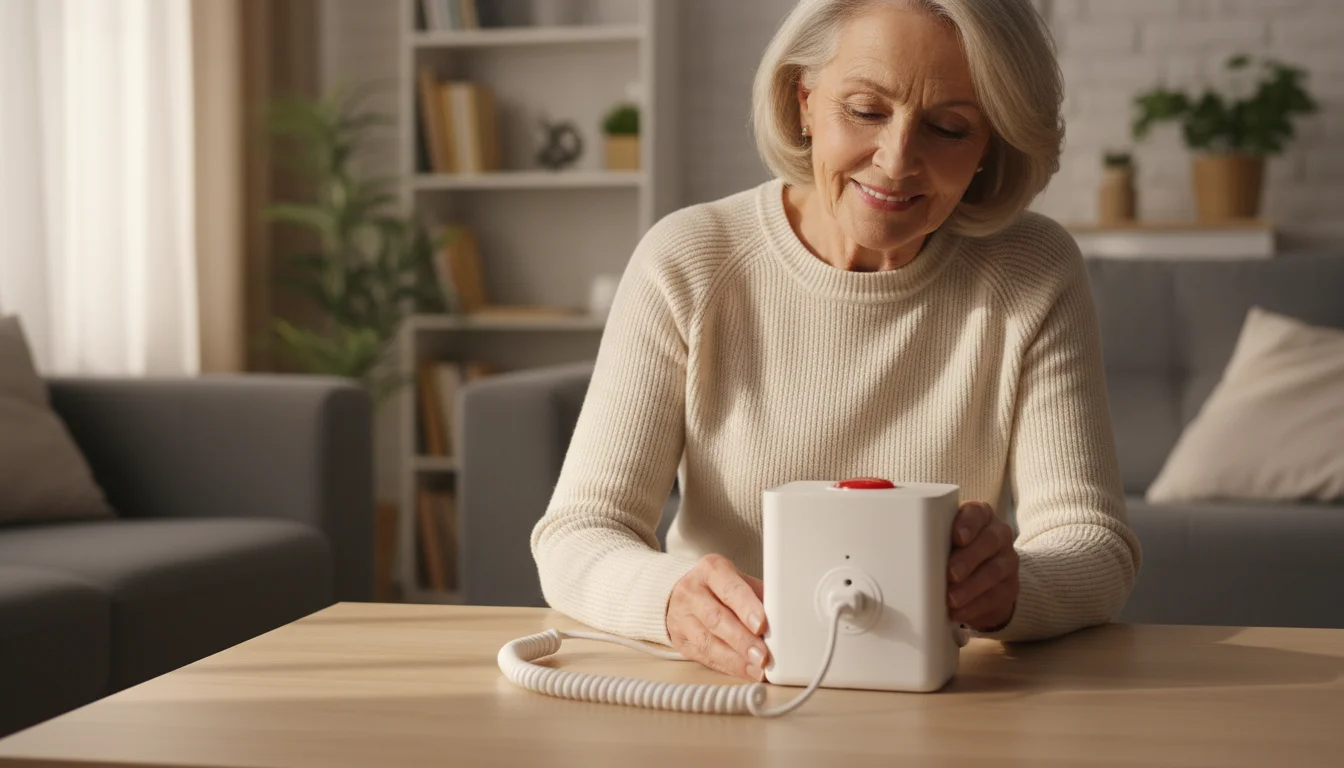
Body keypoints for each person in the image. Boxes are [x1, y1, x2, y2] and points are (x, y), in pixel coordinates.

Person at [530, 0, 1142, 683]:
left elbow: (1096, 547)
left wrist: (1013, 589)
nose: (897, 160)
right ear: (804, 100)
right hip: (725, 692)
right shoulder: (690, 260)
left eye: (948, 127)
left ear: (989, 146)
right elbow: (577, 534)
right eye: (866, 110)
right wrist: (669, 601)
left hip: (944, 706)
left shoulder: (1032, 270)